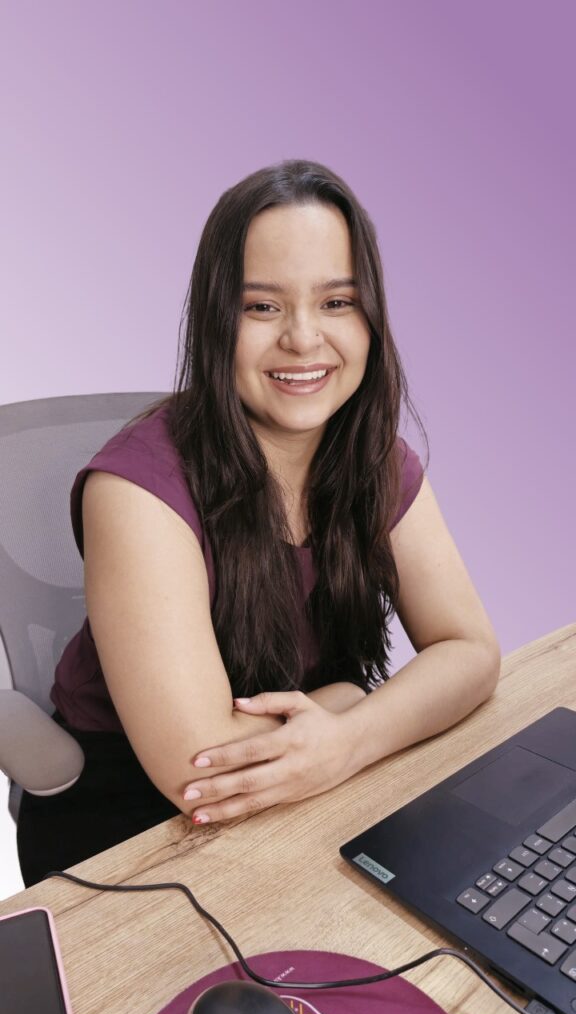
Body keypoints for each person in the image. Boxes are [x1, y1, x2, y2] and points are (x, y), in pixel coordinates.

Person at [17, 159, 500, 886]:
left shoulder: (373, 457)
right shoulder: (135, 488)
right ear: (217, 323)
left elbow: (471, 651)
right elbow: (201, 771)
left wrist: (349, 735)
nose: (304, 339)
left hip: (313, 788)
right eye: (263, 307)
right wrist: (345, 702)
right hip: (133, 831)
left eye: (337, 301)